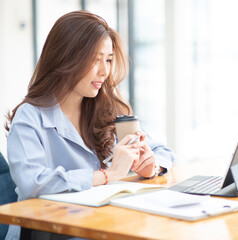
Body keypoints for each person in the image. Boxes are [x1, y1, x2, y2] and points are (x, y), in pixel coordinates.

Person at [4, 10, 174, 240]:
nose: (104, 71)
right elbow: (34, 183)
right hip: (49, 232)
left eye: (108, 60)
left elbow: (162, 152)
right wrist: (108, 174)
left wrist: (150, 167)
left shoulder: (109, 109)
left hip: (102, 224)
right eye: (95, 59)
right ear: (66, 58)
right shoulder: (30, 117)